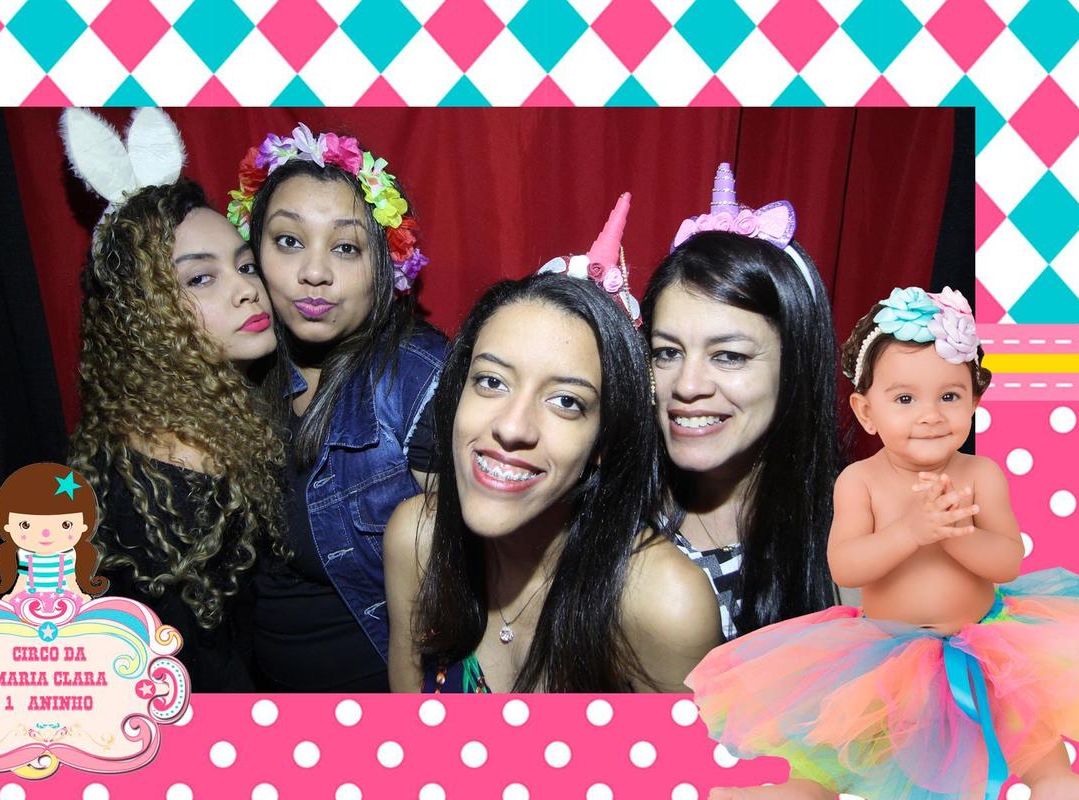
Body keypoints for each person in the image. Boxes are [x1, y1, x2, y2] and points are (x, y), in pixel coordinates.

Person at [687, 287, 1079, 800]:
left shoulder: (981, 474)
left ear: (975, 402)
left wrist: (957, 535)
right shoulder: (860, 481)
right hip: (888, 657)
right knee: (829, 771)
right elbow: (846, 567)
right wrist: (911, 532)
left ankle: (1056, 784)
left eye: (949, 396)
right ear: (866, 411)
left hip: (988, 647)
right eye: (905, 399)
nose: (930, 415)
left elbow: (1007, 561)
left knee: (1040, 753)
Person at [384, 195, 721, 693]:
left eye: (566, 401)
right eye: (492, 382)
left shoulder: (665, 603)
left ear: (605, 438)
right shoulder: (416, 540)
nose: (513, 427)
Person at [63, 108, 287, 692]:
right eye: (200, 278)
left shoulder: (224, 425)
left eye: (244, 265)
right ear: (144, 317)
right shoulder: (158, 487)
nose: (247, 289)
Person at [228, 122, 447, 691]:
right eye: (288, 241)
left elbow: (475, 584)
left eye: (345, 247)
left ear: (385, 266)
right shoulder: (236, 370)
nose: (314, 272)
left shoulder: (420, 380)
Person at [642, 163, 839, 639]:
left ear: (795, 366)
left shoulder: (859, 535)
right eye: (667, 352)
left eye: (729, 355)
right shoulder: (606, 520)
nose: (687, 385)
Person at [0, 462, 107, 600]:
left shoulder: (68, 558)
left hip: (65, 601)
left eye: (65, 525)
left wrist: (82, 597)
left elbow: (72, 582)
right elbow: (21, 581)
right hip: (29, 601)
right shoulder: (25, 557)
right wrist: (11, 597)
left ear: (83, 526)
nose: (46, 533)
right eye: (26, 525)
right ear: (8, 527)